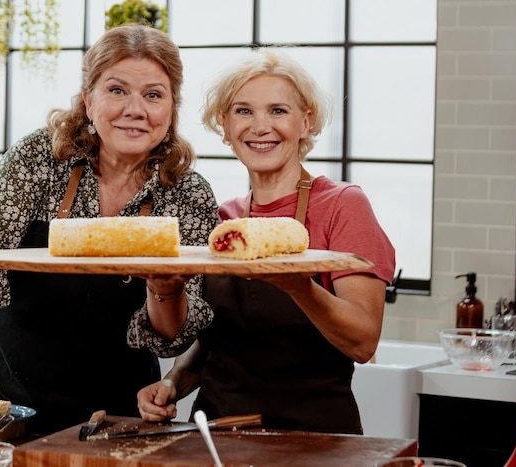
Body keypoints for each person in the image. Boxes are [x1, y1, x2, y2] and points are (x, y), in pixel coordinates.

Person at [0, 24, 218, 436]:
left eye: (153, 95)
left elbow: (171, 338)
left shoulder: (188, 194)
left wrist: (166, 288)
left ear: (171, 109)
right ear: (88, 100)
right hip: (6, 408)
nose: (135, 109)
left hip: (117, 415)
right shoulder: (38, 160)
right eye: (116, 90)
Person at [136, 48, 396, 434]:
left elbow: (362, 343)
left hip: (315, 440)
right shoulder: (223, 219)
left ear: (305, 122)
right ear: (224, 125)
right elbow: (212, 343)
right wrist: (174, 382)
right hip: (219, 438)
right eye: (243, 111)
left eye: (278, 111)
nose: (260, 126)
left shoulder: (343, 205)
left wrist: (299, 287)